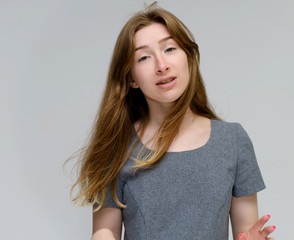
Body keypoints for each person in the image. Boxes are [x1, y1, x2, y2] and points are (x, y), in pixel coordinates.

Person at [70, 2, 276, 240]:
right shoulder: (116, 145)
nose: (161, 65)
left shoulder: (233, 141)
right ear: (131, 78)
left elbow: (246, 230)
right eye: (144, 57)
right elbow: (104, 230)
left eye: (169, 49)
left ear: (188, 58)